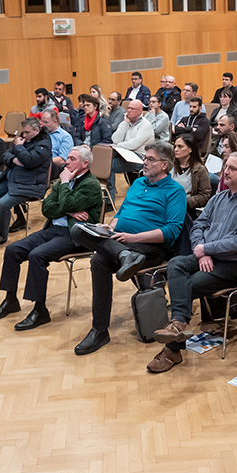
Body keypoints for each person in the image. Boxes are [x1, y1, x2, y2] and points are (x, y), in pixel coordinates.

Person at [146, 154, 237, 373]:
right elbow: (198, 225)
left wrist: (208, 249)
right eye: (226, 167)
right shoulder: (219, 197)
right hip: (206, 257)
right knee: (176, 264)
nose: (226, 171)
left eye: (232, 168)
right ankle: (179, 324)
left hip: (232, 265)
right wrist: (202, 253)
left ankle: (173, 349)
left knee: (185, 286)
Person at [71, 142, 186, 355]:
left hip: (148, 248)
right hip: (121, 243)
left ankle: (99, 329)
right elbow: (121, 212)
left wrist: (133, 238)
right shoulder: (138, 183)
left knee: (98, 260)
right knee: (78, 231)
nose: (145, 162)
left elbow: (171, 231)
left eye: (150, 159)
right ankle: (101, 328)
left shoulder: (175, 191)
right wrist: (109, 227)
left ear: (164, 165)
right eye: (145, 157)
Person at [0, 146, 103, 331]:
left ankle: (40, 310)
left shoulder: (91, 184)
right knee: (12, 250)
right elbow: (46, 208)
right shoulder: (60, 182)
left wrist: (65, 187)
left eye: (72, 159)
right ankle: (10, 300)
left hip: (74, 235)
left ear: (85, 163)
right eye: (67, 158)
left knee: (37, 256)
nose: (67, 162)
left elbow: (66, 202)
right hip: (53, 230)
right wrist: (68, 209)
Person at [0, 117, 52, 247]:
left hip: (30, 184)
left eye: (28, 132)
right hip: (12, 180)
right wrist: (14, 160)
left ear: (37, 130)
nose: (24, 135)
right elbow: (5, 156)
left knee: (3, 204)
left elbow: (29, 161)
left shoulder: (43, 145)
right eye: (23, 132)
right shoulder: (22, 140)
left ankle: (1, 236)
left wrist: (19, 148)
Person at [109, 99, 153, 199]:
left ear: (140, 111)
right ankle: (104, 196)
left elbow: (134, 144)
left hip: (139, 158)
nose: (128, 110)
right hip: (125, 154)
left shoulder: (145, 125)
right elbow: (115, 139)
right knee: (105, 159)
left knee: (109, 166)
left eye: (132, 108)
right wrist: (125, 123)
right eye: (128, 108)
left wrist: (117, 145)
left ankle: (109, 200)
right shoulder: (126, 123)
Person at [171, 134, 214, 217]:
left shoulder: (200, 170)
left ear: (190, 149)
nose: (176, 150)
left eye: (180, 147)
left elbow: (204, 196)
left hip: (186, 210)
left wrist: (184, 201)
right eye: (175, 146)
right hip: (168, 206)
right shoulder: (170, 166)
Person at [40, 109, 73, 173]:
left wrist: (42, 161)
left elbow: (62, 160)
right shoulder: (40, 134)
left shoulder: (65, 137)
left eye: (46, 122)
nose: (43, 125)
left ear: (55, 122)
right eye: (42, 122)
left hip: (53, 168)